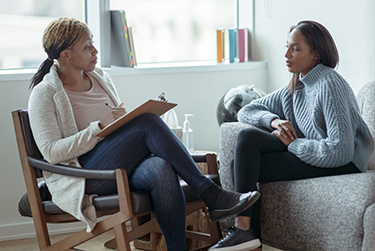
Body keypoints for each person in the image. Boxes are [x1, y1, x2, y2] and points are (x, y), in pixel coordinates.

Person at [28, 17, 260, 251]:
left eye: (93, 44)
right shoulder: (44, 94)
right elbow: (50, 152)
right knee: (148, 121)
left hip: (117, 165)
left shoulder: (100, 78)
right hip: (83, 174)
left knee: (160, 168)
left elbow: (116, 128)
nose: (95, 51)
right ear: (66, 54)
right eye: (87, 47)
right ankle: (212, 195)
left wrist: (122, 122)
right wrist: (97, 130)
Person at [209, 20, 374, 251]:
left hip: (345, 162)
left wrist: (295, 144)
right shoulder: (296, 85)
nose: (286, 54)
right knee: (246, 144)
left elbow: (340, 150)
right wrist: (274, 120)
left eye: (295, 48)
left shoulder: (329, 83)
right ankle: (246, 234)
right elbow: (246, 110)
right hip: (316, 149)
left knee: (245, 163)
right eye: (287, 46)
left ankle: (244, 233)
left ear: (315, 54)